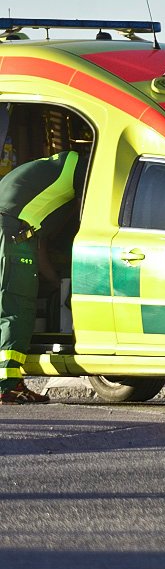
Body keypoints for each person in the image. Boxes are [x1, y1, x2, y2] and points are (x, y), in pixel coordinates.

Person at [0, 149, 87, 404]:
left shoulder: (51, 168)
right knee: (16, 309)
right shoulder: (83, 170)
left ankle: (11, 383)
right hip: (11, 235)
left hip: (13, 232)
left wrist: (50, 281)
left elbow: (39, 242)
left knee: (9, 304)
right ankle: (7, 385)